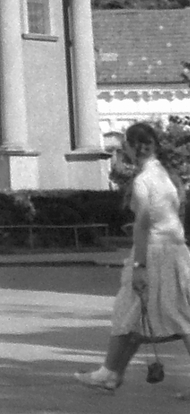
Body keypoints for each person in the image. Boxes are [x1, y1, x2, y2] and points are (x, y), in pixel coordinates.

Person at [76, 121, 190, 392]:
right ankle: (112, 373)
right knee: (149, 315)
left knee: (129, 311)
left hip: (153, 253)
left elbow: (143, 224)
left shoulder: (142, 181)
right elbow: (175, 214)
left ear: (129, 147)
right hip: (177, 250)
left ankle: (109, 373)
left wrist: (139, 265)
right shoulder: (166, 175)